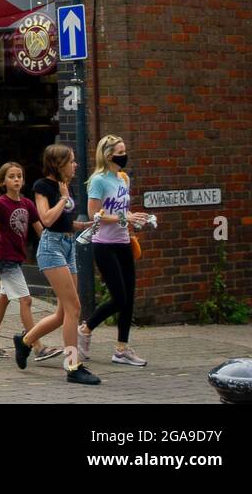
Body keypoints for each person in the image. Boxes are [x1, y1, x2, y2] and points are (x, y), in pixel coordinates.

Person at [13, 144, 100, 385]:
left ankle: (24, 342)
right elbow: (47, 219)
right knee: (74, 308)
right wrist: (63, 199)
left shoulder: (65, 186)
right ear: (58, 164)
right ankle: (73, 366)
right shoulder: (42, 186)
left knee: (64, 313)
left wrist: (81, 226)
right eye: (71, 161)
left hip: (68, 245)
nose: (76, 165)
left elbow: (63, 222)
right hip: (51, 249)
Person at [78, 134, 150, 367]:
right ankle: (86, 328)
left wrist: (134, 220)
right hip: (104, 244)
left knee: (129, 298)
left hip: (123, 242)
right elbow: (94, 215)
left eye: (124, 150)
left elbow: (122, 213)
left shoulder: (123, 179)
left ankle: (122, 349)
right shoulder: (98, 180)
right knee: (119, 297)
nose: (124, 155)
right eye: (120, 151)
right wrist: (123, 216)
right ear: (109, 155)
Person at [0, 162, 60, 362]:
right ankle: (37, 346)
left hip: (17, 258)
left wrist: (53, 246)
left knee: (4, 300)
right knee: (26, 300)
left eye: (19, 176)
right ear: (3, 181)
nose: (16, 180)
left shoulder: (27, 204)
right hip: (5, 259)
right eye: (12, 176)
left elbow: (40, 230)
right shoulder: (0, 204)